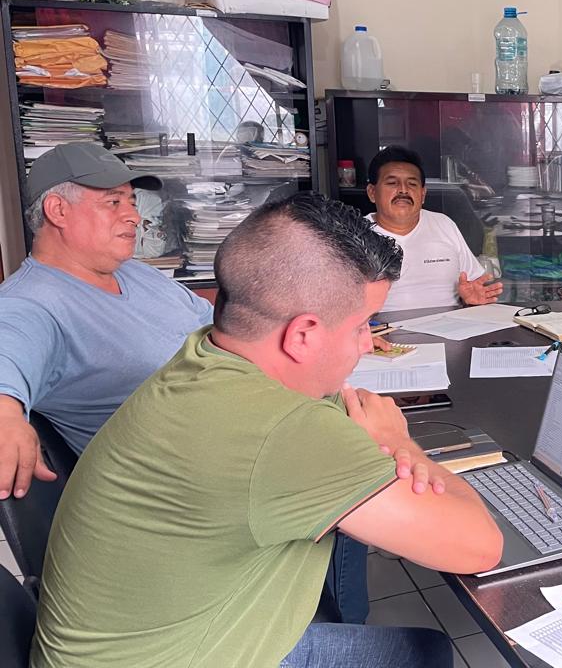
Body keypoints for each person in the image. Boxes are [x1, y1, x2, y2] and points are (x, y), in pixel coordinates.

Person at [31, 194, 503, 667]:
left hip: (166, 643)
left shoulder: (206, 357)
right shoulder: (280, 432)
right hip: (185, 659)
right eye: (362, 326)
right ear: (302, 335)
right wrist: (398, 442)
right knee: (422, 655)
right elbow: (480, 548)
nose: (367, 345)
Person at [0, 142, 213, 498]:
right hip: (180, 495)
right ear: (58, 210)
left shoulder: (138, 274)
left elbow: (223, 332)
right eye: (113, 202)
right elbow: (9, 350)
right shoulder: (30, 303)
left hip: (243, 440)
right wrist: (6, 416)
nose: (134, 217)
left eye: (132, 202)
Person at [365, 145, 502, 311]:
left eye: (412, 184)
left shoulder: (443, 224)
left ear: (423, 194)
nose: (403, 190)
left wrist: (470, 301)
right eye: (392, 183)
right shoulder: (355, 237)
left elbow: (474, 283)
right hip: (384, 326)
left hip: (451, 324)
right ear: (372, 192)